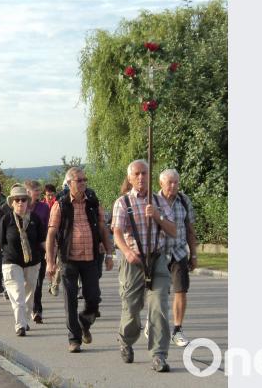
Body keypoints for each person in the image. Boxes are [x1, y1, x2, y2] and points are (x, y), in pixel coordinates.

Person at [111, 159, 178, 372]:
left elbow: (173, 230)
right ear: (130, 178)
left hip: (156, 259)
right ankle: (126, 339)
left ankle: (159, 355)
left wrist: (157, 217)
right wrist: (127, 252)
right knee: (132, 308)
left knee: (159, 307)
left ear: (150, 176)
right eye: (137, 174)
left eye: (145, 173)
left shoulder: (159, 202)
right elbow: (117, 232)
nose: (141, 177)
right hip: (133, 262)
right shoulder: (123, 202)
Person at [45, 167, 114, 354]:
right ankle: (74, 339)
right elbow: (51, 233)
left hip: (91, 257)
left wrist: (109, 253)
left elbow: (102, 228)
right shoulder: (60, 205)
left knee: (93, 298)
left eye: (85, 180)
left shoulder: (92, 202)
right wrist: (50, 261)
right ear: (69, 184)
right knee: (71, 299)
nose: (83, 183)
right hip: (69, 258)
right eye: (79, 180)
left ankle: (84, 322)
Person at [0, 184, 44, 335]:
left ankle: (25, 320)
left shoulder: (35, 219)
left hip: (33, 262)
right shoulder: (6, 220)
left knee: (30, 293)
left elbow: (42, 241)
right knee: (17, 293)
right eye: (17, 200)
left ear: (27, 202)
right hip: (11, 261)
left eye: (23, 200)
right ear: (12, 203)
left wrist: (52, 259)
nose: (20, 203)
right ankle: (20, 324)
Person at [157, 168, 198, 347]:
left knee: (181, 290)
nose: (173, 186)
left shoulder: (183, 200)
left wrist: (193, 254)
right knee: (159, 294)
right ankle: (154, 323)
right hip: (158, 253)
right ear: (161, 184)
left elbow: (190, 229)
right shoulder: (153, 201)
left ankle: (178, 330)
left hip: (179, 252)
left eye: (176, 182)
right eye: (169, 182)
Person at [25, 180, 50, 324]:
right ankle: (26, 309)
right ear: (28, 192)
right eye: (36, 191)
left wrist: (49, 249)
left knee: (38, 282)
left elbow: (48, 228)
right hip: (23, 250)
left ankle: (37, 310)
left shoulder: (44, 208)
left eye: (39, 191)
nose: (38, 193)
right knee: (26, 283)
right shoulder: (20, 206)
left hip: (40, 248)